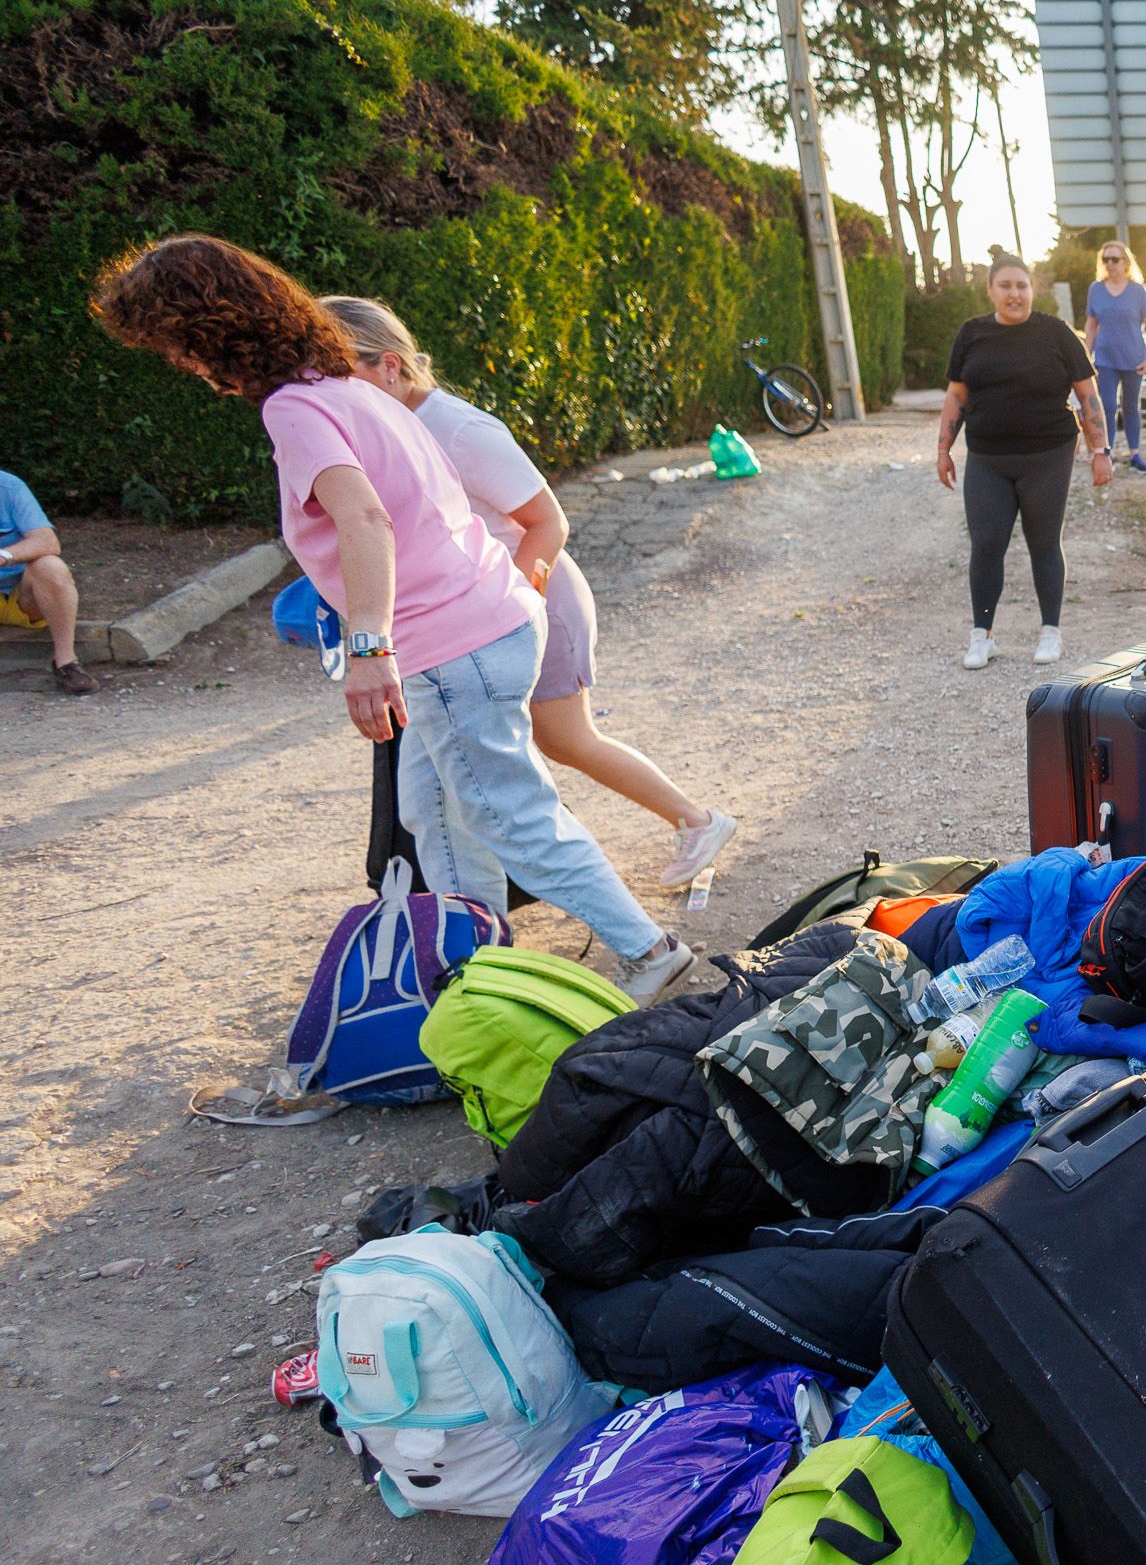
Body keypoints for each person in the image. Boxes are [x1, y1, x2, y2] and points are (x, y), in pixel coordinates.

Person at [92, 235, 694, 1001]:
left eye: (175, 345)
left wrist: (369, 648)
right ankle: (474, 974)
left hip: (447, 644)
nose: (180, 363)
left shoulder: (296, 406)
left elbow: (365, 520)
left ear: (211, 331)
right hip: (488, 620)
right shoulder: (344, 387)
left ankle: (648, 951)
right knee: (437, 811)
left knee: (508, 814)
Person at [319, 296, 738, 888]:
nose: (330, 393)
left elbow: (549, 522)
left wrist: (511, 607)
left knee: (564, 739)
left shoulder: (457, 428)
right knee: (490, 756)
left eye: (341, 372)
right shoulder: (388, 423)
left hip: (533, 599)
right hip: (480, 613)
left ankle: (698, 820)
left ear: (390, 365)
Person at [937, 255, 1109, 671]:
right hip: (987, 457)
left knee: (1044, 543)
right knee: (987, 544)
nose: (1014, 293)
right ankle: (982, 636)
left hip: (1047, 455)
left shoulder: (1056, 334)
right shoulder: (972, 334)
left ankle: (1051, 631)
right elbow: (957, 396)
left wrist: (1100, 451)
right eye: (1006, 285)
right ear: (991, 290)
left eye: (1022, 285)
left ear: (1033, 290)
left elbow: (1087, 396)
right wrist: (943, 450)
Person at [0, 468, 99, 696]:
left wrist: (4, 556)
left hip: (22, 595)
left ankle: (66, 664)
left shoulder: (9, 487)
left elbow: (48, 542)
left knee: (51, 566)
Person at [1081, 240, 1146, 476]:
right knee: (1107, 406)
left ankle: (1135, 454)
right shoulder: (1096, 289)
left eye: (1115, 259)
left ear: (1125, 262)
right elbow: (1091, 326)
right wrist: (1085, 356)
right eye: (1106, 260)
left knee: (1131, 406)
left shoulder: (1137, 290)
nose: (1110, 264)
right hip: (1105, 358)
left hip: (1133, 357)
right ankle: (1106, 453)